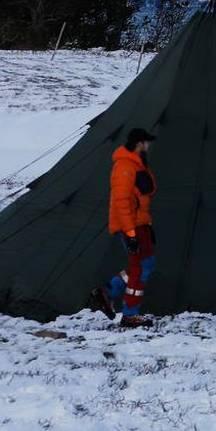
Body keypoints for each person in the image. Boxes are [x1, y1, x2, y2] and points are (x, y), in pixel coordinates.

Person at [91, 127, 157, 328]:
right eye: (146, 143)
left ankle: (107, 292)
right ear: (139, 144)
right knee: (141, 267)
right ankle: (130, 314)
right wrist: (131, 234)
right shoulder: (124, 167)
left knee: (146, 264)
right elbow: (121, 203)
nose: (148, 146)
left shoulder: (136, 165)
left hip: (140, 223)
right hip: (132, 226)